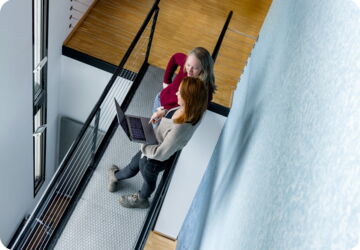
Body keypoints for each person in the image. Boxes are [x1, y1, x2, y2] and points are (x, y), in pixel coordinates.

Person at [108, 77, 208, 209]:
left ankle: (142, 199)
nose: (176, 93)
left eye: (180, 92)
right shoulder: (194, 109)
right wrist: (164, 113)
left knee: (148, 180)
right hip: (153, 143)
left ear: (188, 99)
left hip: (153, 159)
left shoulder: (181, 127)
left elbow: (161, 154)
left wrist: (142, 140)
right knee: (133, 164)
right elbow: (175, 115)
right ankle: (115, 177)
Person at [150, 47, 216, 125]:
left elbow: (193, 109)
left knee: (157, 133)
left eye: (195, 68)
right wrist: (166, 81)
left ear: (204, 69)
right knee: (153, 128)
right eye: (188, 65)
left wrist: (166, 111)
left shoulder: (204, 88)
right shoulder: (187, 63)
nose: (189, 70)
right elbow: (175, 57)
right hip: (160, 101)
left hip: (172, 115)